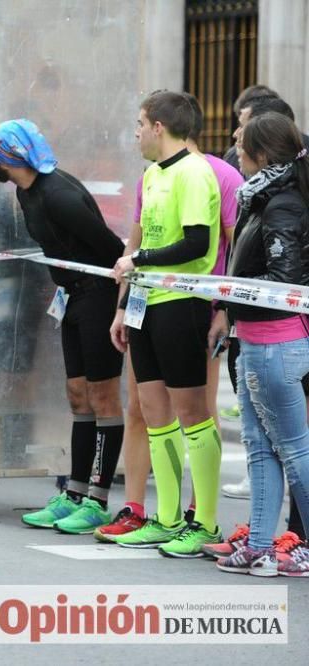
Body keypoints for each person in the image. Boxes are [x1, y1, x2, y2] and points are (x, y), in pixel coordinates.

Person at [0, 120, 127, 533]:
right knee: (76, 393)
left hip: (97, 295)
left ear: (10, 157)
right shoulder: (25, 192)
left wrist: (119, 307)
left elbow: (114, 252)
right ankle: (75, 492)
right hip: (70, 297)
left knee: (103, 397)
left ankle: (97, 500)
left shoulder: (59, 195)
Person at [110, 91, 223, 556]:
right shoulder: (152, 174)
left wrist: (139, 258)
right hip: (146, 302)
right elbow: (144, 242)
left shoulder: (196, 172)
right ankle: (167, 518)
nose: (135, 132)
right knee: (154, 413)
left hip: (183, 301)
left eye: (139, 123)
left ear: (159, 126)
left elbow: (198, 244)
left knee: (192, 412)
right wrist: (125, 305)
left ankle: (207, 523)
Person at [210, 111, 309, 576]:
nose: (234, 143)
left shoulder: (282, 202)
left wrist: (230, 292)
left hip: (276, 342)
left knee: (293, 449)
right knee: (259, 446)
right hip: (256, 340)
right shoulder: (261, 196)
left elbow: (283, 280)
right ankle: (261, 545)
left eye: (242, 139)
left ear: (263, 153)